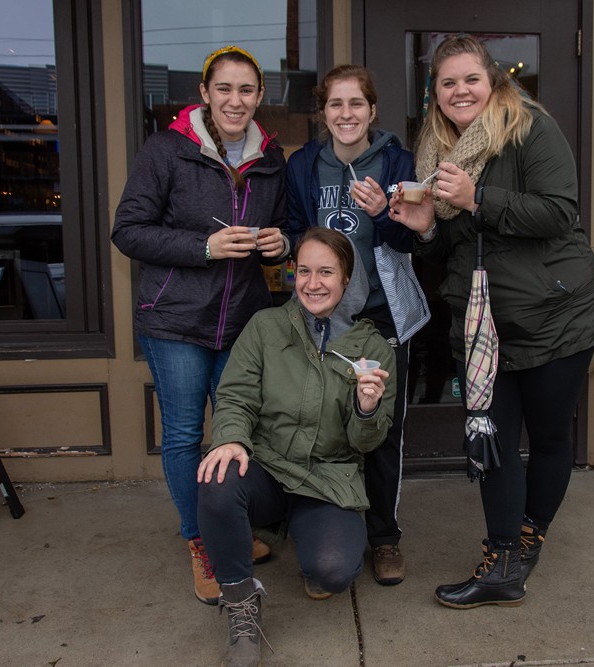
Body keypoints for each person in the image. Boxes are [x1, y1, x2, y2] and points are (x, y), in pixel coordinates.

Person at [388, 34, 594, 609]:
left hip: (555, 315)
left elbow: (560, 212)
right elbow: (453, 252)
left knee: (552, 437)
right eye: (447, 83)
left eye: (471, 79)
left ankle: (530, 533)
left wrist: (478, 198)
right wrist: (425, 228)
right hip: (483, 325)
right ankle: (503, 561)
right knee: (493, 441)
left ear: (494, 82)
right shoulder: (437, 151)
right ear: (433, 93)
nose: (460, 91)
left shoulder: (531, 128)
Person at [111, 45, 288, 605]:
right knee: (187, 435)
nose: (235, 100)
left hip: (242, 322)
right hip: (175, 320)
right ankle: (201, 544)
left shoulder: (272, 158)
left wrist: (277, 245)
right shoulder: (166, 150)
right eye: (224, 89)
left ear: (260, 97)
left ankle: (228, 528)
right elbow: (128, 230)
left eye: (246, 90)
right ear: (206, 94)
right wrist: (203, 247)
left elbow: (278, 228)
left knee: (238, 435)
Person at [196, 227, 395, 667]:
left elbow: (371, 440)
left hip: (326, 478)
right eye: (303, 270)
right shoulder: (266, 326)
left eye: (326, 271)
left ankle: (305, 536)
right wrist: (229, 438)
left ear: (347, 280)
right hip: (268, 466)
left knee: (334, 571)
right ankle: (242, 605)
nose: (312, 282)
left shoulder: (373, 348)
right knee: (217, 474)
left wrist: (365, 408)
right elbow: (236, 396)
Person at [285, 64, 428, 585]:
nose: (346, 114)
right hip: (323, 315)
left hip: (381, 316)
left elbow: (415, 239)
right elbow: (294, 232)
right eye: (335, 104)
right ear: (323, 113)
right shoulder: (304, 164)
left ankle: (385, 539)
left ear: (372, 110)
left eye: (356, 104)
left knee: (381, 428)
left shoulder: (396, 160)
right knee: (322, 423)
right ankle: (324, 528)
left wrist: (385, 215)